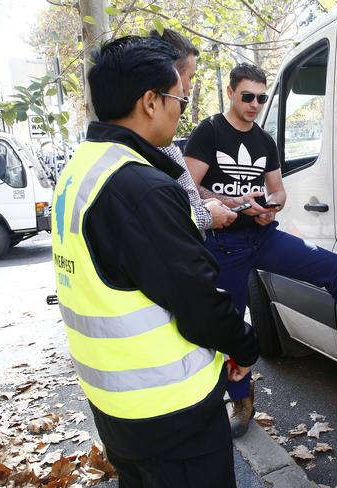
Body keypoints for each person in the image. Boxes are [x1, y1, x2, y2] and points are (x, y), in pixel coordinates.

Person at [51, 36, 258, 487]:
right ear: (150, 102)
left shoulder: (81, 170)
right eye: (179, 101)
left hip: (115, 404)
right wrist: (243, 345)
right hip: (169, 410)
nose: (181, 111)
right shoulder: (140, 188)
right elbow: (197, 299)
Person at [184, 63, 337, 438]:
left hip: (264, 236)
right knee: (231, 323)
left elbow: (278, 189)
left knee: (332, 267)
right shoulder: (209, 131)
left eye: (261, 98)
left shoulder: (264, 140)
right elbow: (191, 188)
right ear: (231, 92)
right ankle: (240, 399)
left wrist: (271, 207)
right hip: (224, 244)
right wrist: (232, 200)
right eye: (247, 96)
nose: (254, 104)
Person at [149, 29, 238, 234]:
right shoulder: (144, 154)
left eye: (262, 98)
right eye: (190, 77)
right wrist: (206, 215)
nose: (187, 88)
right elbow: (161, 221)